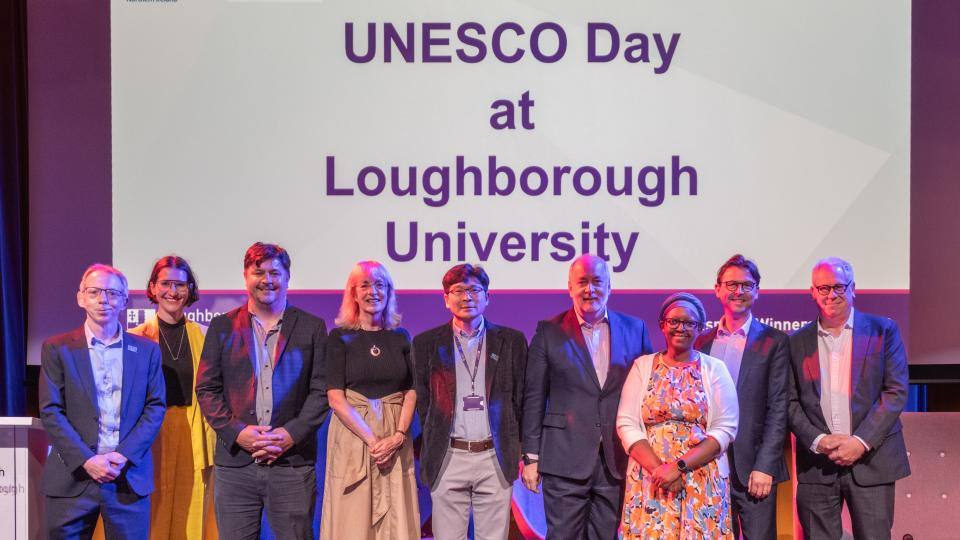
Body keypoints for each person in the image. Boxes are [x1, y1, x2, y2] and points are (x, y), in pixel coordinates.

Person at [195, 242, 328, 540]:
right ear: (246, 277)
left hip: (292, 464)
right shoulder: (221, 327)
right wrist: (237, 432)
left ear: (287, 277)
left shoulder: (312, 327)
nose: (267, 280)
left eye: (275, 272)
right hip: (235, 465)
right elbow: (207, 388)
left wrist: (290, 434)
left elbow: (321, 392)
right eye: (259, 272)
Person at [521, 254, 653, 540]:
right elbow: (534, 397)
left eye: (596, 282)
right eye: (582, 282)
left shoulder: (636, 329)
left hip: (616, 459)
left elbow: (648, 396)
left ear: (610, 287)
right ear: (569, 287)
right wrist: (530, 456)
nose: (589, 289)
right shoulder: (548, 331)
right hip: (563, 458)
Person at [39, 264, 166, 539]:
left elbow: (155, 407)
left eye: (112, 292)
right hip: (72, 478)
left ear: (124, 300)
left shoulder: (146, 351)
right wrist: (87, 460)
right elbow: (51, 410)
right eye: (94, 291)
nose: (103, 299)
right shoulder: (57, 348)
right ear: (80, 297)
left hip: (127, 478)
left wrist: (122, 455)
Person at [787, 257, 910, 539]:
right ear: (812, 292)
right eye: (823, 288)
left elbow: (895, 391)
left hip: (872, 461)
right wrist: (818, 440)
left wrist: (860, 442)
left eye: (839, 287)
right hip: (817, 464)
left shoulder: (883, 331)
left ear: (853, 288)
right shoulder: (795, 341)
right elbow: (789, 401)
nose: (831, 295)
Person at [414, 264, 528, 540]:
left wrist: (524, 454)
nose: (467, 297)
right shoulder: (426, 343)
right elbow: (424, 404)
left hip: (494, 456)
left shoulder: (511, 341)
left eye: (475, 290)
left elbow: (521, 399)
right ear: (446, 298)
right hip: (449, 456)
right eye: (459, 290)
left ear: (487, 296)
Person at [617, 292, 739, 539]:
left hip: (701, 479)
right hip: (651, 481)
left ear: (700, 328)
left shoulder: (715, 369)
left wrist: (679, 467)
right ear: (662, 325)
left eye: (689, 323)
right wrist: (661, 470)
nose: (680, 328)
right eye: (673, 321)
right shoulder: (643, 366)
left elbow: (725, 429)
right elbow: (627, 424)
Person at [320, 261, 419, 540]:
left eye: (380, 284)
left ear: (389, 292)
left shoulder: (401, 337)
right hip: (354, 436)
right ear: (353, 293)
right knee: (352, 517)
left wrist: (398, 436)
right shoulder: (340, 337)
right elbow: (335, 398)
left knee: (398, 515)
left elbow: (411, 390)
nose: (373, 291)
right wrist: (373, 441)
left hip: (395, 438)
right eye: (364, 284)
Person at [694, 255, 790, 539]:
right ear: (717, 289)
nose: (739, 291)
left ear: (757, 291)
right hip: (708, 467)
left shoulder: (775, 342)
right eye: (732, 284)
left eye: (747, 285)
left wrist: (764, 466)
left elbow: (778, 409)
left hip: (754, 471)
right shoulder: (702, 342)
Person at [130, 255, 218, 539]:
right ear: (153, 288)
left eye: (180, 284)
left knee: (191, 512)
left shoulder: (205, 337)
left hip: (193, 432)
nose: (173, 291)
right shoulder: (135, 338)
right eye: (165, 283)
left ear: (190, 289)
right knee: (151, 512)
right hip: (149, 433)